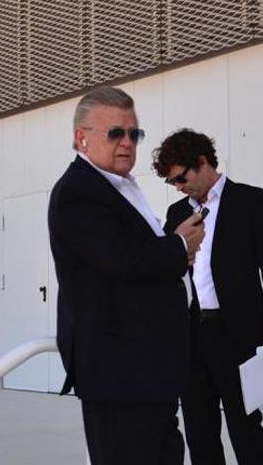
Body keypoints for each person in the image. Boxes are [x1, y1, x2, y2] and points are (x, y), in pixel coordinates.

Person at [48, 87, 206, 465]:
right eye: (115, 133)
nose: (127, 143)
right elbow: (118, 258)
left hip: (148, 371)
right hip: (119, 374)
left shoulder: (116, 188)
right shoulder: (77, 191)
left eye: (134, 134)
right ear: (81, 138)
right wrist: (178, 246)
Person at [153, 128, 263, 465]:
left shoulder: (249, 200)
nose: (178, 186)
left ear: (202, 163)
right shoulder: (176, 214)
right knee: (199, 430)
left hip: (235, 333)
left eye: (181, 178)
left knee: (244, 426)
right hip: (190, 335)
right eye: (172, 182)